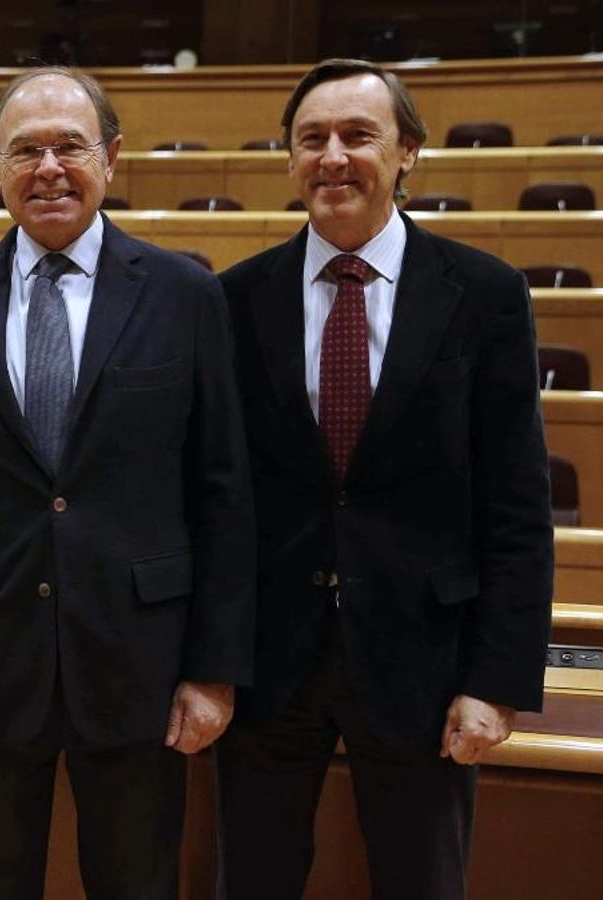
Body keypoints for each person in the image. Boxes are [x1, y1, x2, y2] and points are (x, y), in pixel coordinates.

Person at [0, 66, 256, 899]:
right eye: (26, 150)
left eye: (70, 146)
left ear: (113, 157)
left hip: (141, 656)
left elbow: (223, 491)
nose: (49, 168)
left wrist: (214, 669)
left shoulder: (186, 294)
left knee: (136, 884)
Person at [214, 59, 553, 900]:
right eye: (312, 139)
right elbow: (215, 500)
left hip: (425, 662)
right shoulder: (232, 299)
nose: (333, 156)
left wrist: (495, 681)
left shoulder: (484, 295)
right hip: (268, 662)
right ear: (289, 160)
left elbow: (516, 508)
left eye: (358, 135)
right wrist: (207, 659)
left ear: (409, 154)